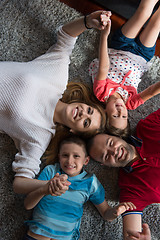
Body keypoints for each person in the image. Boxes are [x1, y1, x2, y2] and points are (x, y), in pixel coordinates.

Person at [0, 10, 110, 195]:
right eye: (89, 111)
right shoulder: (57, 78)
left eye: (86, 123)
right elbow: (66, 36)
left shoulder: (40, 136)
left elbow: (20, 182)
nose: (83, 114)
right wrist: (87, 22)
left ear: (74, 131)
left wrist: (46, 186)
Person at [23, 135, 136, 240]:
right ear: (59, 157)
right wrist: (45, 189)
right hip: (37, 235)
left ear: (86, 160)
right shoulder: (51, 171)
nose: (69, 161)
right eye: (65, 155)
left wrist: (115, 211)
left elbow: (106, 213)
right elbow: (28, 205)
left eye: (76, 156)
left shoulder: (91, 182)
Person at [89, 0, 160, 138]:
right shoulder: (131, 103)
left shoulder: (101, 93)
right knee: (156, 25)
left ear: (105, 112)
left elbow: (104, 66)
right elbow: (151, 92)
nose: (120, 110)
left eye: (115, 115)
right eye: (123, 116)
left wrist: (104, 35)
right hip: (142, 56)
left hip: (119, 46)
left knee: (143, 13)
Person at [87, 107, 160, 239]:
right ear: (105, 165)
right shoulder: (130, 189)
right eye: (106, 156)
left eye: (110, 143)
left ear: (116, 136)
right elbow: (131, 234)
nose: (113, 151)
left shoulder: (147, 127)